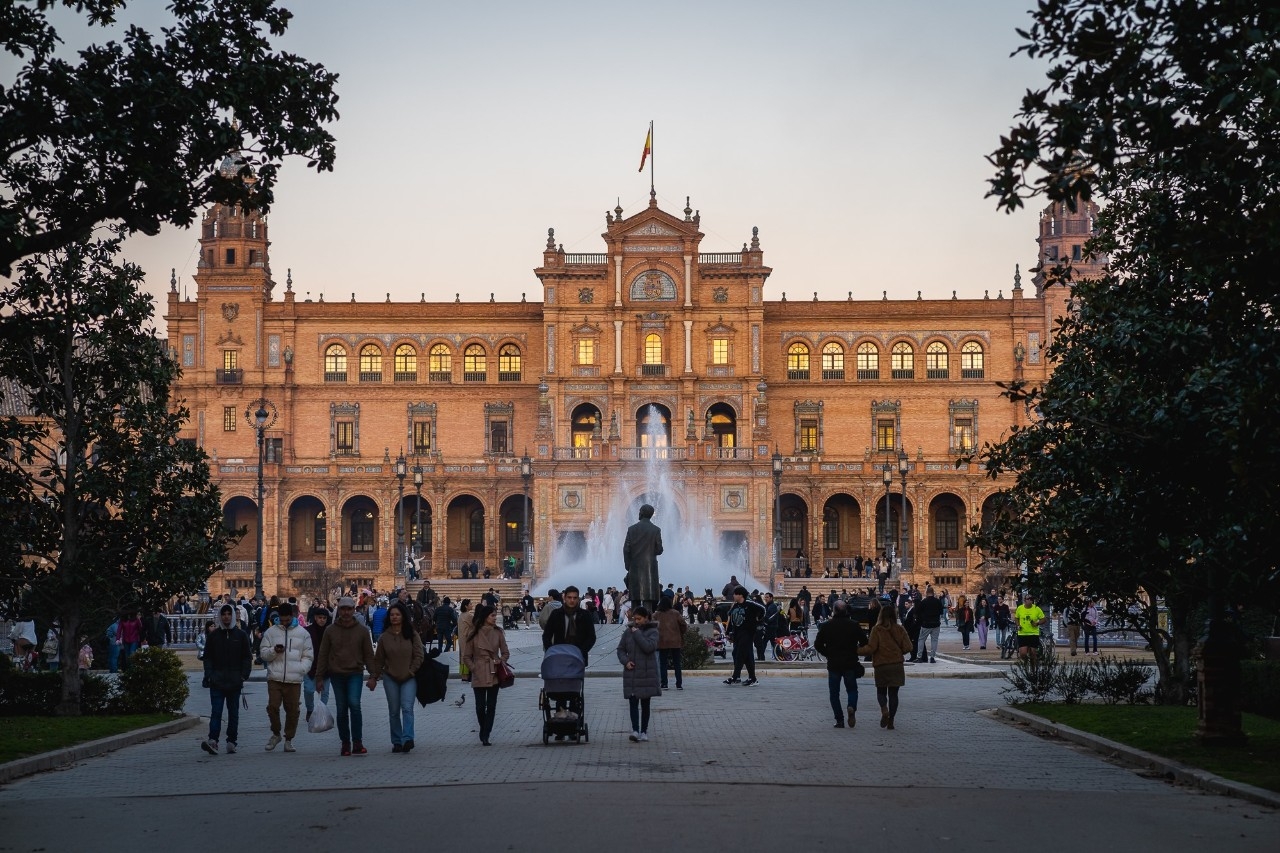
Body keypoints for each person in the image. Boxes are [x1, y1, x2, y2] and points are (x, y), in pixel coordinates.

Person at [315, 595, 376, 756]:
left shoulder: (362, 631)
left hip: (355, 673)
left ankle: (357, 742)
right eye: (343, 609)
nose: (346, 612)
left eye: (349, 609)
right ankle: (345, 743)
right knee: (341, 708)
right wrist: (319, 677)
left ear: (354, 610)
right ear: (339, 610)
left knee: (354, 705)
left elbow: (369, 655)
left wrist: (373, 676)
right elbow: (323, 654)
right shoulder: (330, 631)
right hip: (337, 674)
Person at [368, 601, 425, 753]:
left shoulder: (412, 634)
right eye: (392, 615)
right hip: (390, 677)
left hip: (409, 677)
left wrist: (412, 671)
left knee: (407, 708)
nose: (394, 617)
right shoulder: (384, 637)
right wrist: (374, 677)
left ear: (403, 617)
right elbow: (379, 659)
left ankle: (408, 738)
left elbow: (419, 655)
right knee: (394, 710)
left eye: (397, 615)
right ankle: (397, 741)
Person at [260, 602, 313, 753]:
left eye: (287, 620)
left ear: (292, 616)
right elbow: (263, 653)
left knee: (293, 710)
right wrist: (273, 651)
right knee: (273, 707)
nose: (284, 623)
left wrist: (301, 669)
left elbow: (308, 655)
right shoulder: (271, 632)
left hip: (294, 678)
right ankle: (276, 733)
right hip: (275, 677)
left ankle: (289, 739)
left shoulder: (303, 633)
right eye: (281, 620)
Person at [201, 604, 252, 755]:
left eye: (229, 614)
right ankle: (213, 740)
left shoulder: (241, 635)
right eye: (224, 614)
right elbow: (208, 657)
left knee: (233, 713)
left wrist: (244, 675)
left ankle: (231, 741)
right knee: (216, 712)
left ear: (233, 616)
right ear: (220, 616)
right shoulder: (214, 636)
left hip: (235, 681)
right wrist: (209, 675)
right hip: (217, 680)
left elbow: (247, 657)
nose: (226, 617)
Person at [814, 599, 868, 728]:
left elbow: (818, 644)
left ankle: (839, 720)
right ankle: (851, 706)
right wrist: (855, 650)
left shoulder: (827, 625)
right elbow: (865, 641)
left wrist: (828, 653)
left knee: (834, 693)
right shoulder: (854, 625)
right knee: (852, 689)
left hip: (834, 663)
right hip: (850, 662)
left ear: (834, 610)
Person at [858, 604, 913, 730]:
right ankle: (891, 721)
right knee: (894, 694)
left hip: (881, 666)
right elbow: (909, 647)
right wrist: (898, 652)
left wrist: (857, 651)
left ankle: (884, 710)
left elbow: (871, 648)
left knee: (881, 691)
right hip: (896, 665)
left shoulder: (877, 630)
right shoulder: (900, 629)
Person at [462, 603, 509, 746]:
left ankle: (486, 733)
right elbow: (466, 656)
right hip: (479, 671)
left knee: (492, 705)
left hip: (493, 671)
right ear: (485, 617)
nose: (495, 618)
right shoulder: (474, 633)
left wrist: (500, 660)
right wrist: (474, 668)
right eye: (492, 615)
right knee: (480, 706)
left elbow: (506, 652)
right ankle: (483, 727)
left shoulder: (498, 632)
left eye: (496, 615)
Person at [617, 605, 660, 742]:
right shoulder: (628, 632)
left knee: (645, 704)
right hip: (633, 673)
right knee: (633, 702)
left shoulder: (653, 631)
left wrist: (637, 633)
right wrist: (625, 661)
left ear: (646, 618)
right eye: (634, 619)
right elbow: (620, 649)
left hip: (647, 673)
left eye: (639, 619)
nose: (636, 622)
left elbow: (648, 647)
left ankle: (644, 731)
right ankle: (635, 730)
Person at [622, 503, 663, 613]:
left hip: (634, 568)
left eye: (640, 511)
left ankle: (635, 623)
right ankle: (648, 623)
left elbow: (626, 549)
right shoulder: (656, 530)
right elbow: (659, 550)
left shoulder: (631, 529)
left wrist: (628, 566)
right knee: (648, 600)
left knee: (635, 598)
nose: (638, 513)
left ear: (642, 513)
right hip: (650, 569)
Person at [723, 586, 764, 686]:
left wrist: (758, 620)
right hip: (737, 633)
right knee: (747, 656)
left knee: (739, 654)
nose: (733, 595)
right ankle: (753, 678)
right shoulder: (735, 606)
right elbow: (732, 619)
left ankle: (735, 676)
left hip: (748, 633)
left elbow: (763, 609)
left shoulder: (750, 604)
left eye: (735, 594)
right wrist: (728, 633)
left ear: (740, 595)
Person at [653, 593, 688, 690]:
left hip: (662, 641)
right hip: (675, 641)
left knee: (663, 663)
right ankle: (679, 684)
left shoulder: (656, 614)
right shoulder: (675, 613)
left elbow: (651, 625)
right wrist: (681, 633)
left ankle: (664, 683)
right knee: (677, 663)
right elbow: (684, 625)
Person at [303, 605, 330, 722]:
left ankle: (321, 712)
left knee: (325, 692)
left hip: (326, 667)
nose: (322, 620)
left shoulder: (329, 631)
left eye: (324, 618)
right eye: (320, 618)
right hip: (310, 666)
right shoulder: (307, 631)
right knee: (308, 690)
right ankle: (310, 709)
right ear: (315, 618)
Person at [1015, 592, 1048, 662]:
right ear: (1024, 600)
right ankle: (1026, 663)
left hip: (1033, 634)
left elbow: (1044, 619)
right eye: (1028, 599)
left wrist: (1037, 623)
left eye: (1031, 599)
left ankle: (1033, 670)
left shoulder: (1036, 609)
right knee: (1023, 654)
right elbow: (1016, 617)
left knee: (1033, 653)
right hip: (1022, 634)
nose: (1030, 600)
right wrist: (1018, 625)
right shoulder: (1020, 608)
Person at [914, 586, 943, 663]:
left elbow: (918, 612)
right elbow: (941, 612)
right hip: (936, 623)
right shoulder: (937, 601)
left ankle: (919, 657)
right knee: (934, 641)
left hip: (926, 624)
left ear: (927, 593)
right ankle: (932, 657)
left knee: (921, 640)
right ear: (933, 592)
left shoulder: (924, 602)